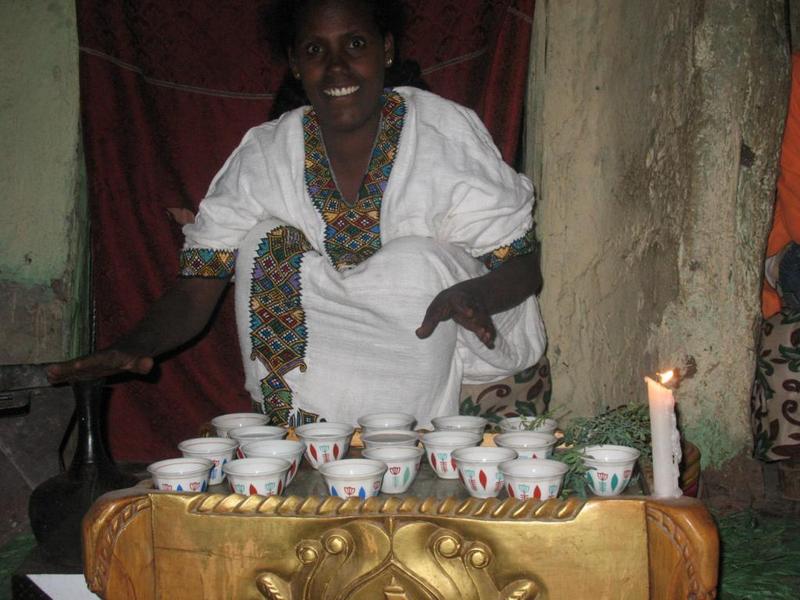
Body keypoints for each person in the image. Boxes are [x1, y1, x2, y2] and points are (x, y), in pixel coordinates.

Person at [48, 0, 546, 429]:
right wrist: (134, 344)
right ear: (294, 62)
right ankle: (307, 433)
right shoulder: (266, 155)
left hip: (462, 350)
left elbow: (523, 267)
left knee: (412, 263)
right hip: (335, 367)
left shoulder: (443, 133)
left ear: (386, 50)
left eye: (354, 45)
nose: (336, 68)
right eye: (314, 51)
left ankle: (403, 449)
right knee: (264, 242)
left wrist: (473, 295)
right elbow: (199, 285)